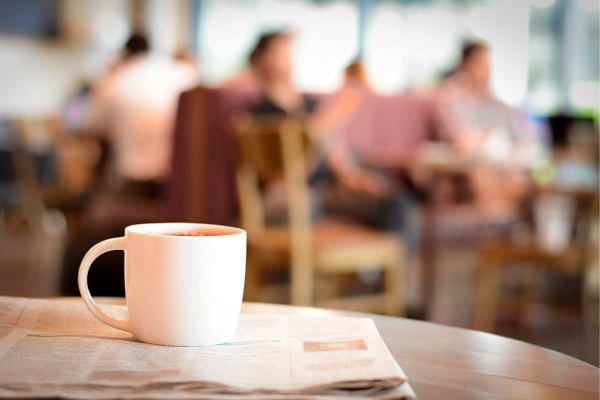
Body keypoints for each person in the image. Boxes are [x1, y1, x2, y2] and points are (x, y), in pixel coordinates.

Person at [247, 32, 420, 257]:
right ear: (263, 59)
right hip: (297, 195)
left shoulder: (312, 106)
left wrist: (353, 177)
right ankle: (304, 277)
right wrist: (314, 133)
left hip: (329, 190)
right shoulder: (260, 116)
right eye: (282, 51)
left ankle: (379, 275)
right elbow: (284, 178)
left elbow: (336, 153)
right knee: (304, 207)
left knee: (397, 203)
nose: (290, 58)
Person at [87, 33, 199, 199]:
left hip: (136, 181)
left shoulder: (117, 79)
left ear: (126, 53)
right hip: (181, 178)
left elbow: (95, 127)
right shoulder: (179, 72)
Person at [434, 42, 527, 216]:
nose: (488, 71)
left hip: (499, 164)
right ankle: (495, 221)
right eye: (482, 64)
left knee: (524, 177)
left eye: (489, 65)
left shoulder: (494, 101)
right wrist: (489, 141)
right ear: (466, 65)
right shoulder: (449, 96)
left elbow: (518, 135)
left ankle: (509, 221)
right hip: (463, 168)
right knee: (480, 172)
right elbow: (462, 140)